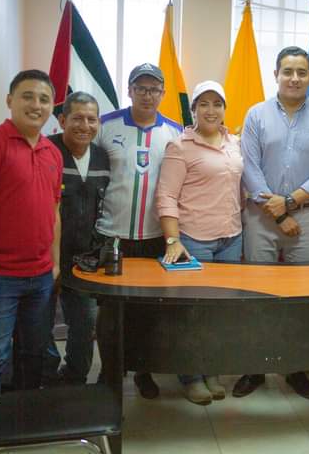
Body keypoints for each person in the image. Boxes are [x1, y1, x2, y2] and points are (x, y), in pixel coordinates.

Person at [236, 46, 309, 400]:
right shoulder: (256, 115)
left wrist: (291, 202)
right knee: (258, 295)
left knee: (301, 297)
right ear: (276, 75)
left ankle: (296, 367)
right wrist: (279, 213)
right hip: (262, 216)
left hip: (307, 217)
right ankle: (254, 367)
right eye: (288, 71)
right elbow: (249, 168)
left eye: (301, 72)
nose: (294, 78)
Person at [0, 69, 62, 399]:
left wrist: (55, 263)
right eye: (27, 96)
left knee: (34, 354)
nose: (36, 105)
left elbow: (54, 212)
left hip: (41, 277)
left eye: (44, 99)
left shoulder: (52, 152)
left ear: (52, 107)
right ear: (10, 100)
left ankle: (24, 418)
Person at [95, 63, 182, 399]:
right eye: (141, 88)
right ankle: (109, 371)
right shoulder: (105, 126)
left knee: (148, 311)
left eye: (154, 89)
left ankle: (144, 370)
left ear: (162, 93)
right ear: (129, 90)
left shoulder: (175, 132)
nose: (148, 95)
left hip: (154, 238)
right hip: (111, 236)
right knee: (109, 312)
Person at [155, 80, 242, 405]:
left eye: (217, 103)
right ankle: (191, 377)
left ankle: (212, 371)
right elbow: (166, 196)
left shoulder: (235, 143)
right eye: (203, 104)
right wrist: (172, 239)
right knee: (192, 313)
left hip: (231, 238)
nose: (211, 110)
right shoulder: (180, 146)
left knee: (221, 312)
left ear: (225, 109)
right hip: (193, 241)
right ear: (192, 110)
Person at [42, 91, 110, 385]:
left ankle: (74, 377)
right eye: (77, 118)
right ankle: (45, 376)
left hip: (86, 262)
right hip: (46, 258)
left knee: (84, 324)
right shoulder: (46, 151)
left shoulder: (103, 157)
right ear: (62, 120)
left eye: (91, 119)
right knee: (39, 324)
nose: (85, 125)